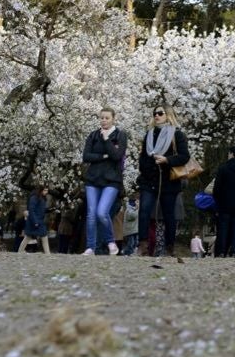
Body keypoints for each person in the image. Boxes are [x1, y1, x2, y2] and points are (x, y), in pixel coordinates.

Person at [137, 105, 191, 257]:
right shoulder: (149, 134)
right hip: (149, 180)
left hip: (168, 181)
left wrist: (167, 160)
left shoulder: (177, 135)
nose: (157, 116)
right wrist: (145, 168)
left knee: (169, 214)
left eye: (160, 113)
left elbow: (184, 156)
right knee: (144, 211)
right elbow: (143, 157)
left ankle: (169, 247)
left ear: (168, 115)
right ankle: (143, 245)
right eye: (155, 113)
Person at [81, 107, 127, 256]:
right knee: (91, 214)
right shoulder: (93, 135)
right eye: (101, 118)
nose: (104, 120)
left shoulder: (120, 135)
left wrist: (107, 140)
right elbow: (86, 156)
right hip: (93, 178)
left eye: (107, 118)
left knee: (102, 212)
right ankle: (90, 247)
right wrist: (103, 156)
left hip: (111, 180)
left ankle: (110, 241)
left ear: (113, 118)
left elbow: (116, 155)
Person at [20, 186, 51, 254]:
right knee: (28, 237)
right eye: (45, 190)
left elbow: (41, 210)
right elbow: (32, 210)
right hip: (34, 221)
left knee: (44, 236)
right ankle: (20, 251)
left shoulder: (42, 198)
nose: (47, 192)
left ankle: (48, 254)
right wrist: (35, 221)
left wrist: (51, 210)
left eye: (47, 190)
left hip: (39, 221)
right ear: (41, 190)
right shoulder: (34, 198)